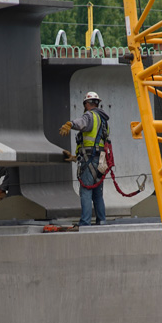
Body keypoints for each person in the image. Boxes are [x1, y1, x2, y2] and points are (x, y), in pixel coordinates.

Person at [59, 91, 110, 226]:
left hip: (90, 160)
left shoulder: (90, 115)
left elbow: (82, 123)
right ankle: (102, 221)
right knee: (97, 194)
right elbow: (96, 142)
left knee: (86, 191)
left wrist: (70, 124)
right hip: (100, 161)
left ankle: (85, 223)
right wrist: (75, 157)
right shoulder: (103, 120)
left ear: (87, 104)